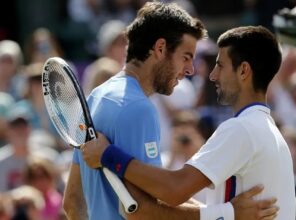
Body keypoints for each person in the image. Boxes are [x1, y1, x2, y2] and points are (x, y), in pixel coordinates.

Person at [63, 2, 279, 220]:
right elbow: (142, 212)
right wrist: (226, 215)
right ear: (160, 48)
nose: (190, 69)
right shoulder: (138, 108)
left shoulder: (96, 96)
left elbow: (72, 202)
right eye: (185, 57)